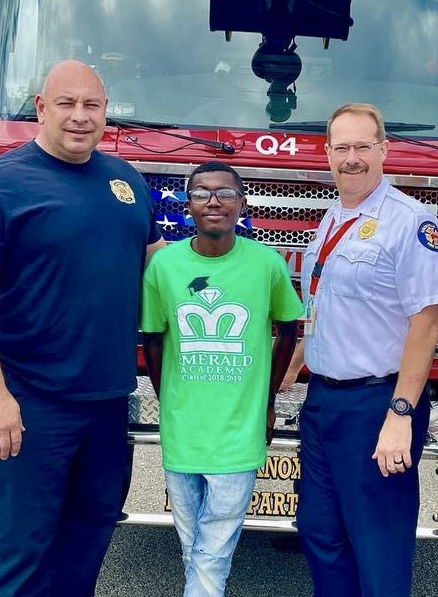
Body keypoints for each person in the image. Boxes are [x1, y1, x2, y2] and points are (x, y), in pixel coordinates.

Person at [0, 60, 164, 597]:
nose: (80, 117)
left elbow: (159, 269)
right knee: (24, 545)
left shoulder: (125, 181)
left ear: (106, 112)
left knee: (91, 527)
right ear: (41, 108)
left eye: (92, 106)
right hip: (29, 399)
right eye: (67, 104)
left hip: (107, 399)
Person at [288, 103, 438, 597]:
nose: (351, 158)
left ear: (384, 150)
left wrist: (401, 411)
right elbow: (318, 313)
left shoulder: (411, 222)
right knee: (319, 533)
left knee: (377, 546)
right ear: (327, 153)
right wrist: (282, 384)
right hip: (322, 404)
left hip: (377, 405)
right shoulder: (332, 218)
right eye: (342, 147)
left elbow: (426, 320)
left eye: (363, 146)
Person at [140, 161, 303, 597]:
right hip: (183, 432)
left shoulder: (266, 263)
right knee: (193, 544)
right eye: (202, 193)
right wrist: (166, 398)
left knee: (212, 551)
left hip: (238, 431)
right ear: (187, 204)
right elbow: (153, 338)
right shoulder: (165, 266)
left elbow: (289, 326)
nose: (214, 201)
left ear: (242, 204)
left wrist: (267, 398)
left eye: (226, 193)